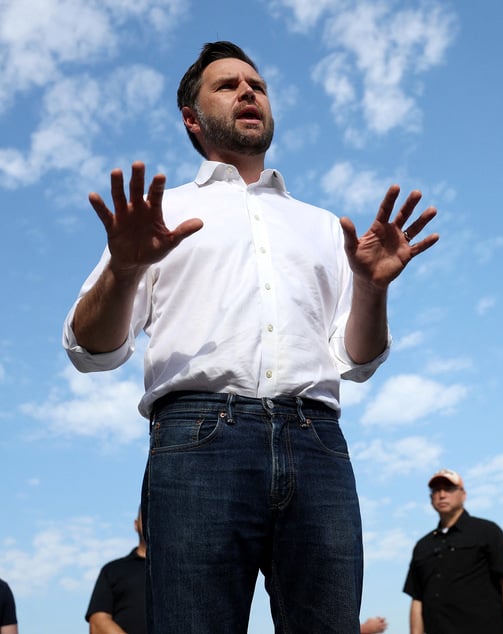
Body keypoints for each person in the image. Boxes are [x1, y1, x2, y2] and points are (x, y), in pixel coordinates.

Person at [62, 41, 438, 634]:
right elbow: (91, 350)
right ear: (192, 117)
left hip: (318, 444)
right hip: (199, 444)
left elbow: (356, 362)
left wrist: (372, 288)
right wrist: (125, 267)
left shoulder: (321, 225)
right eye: (228, 85)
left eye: (257, 84)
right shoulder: (161, 214)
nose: (248, 91)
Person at [403, 469, 503, 634]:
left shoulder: (487, 531)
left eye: (449, 488)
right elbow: (417, 598)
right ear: (431, 498)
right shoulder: (423, 546)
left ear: (463, 494)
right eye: (436, 490)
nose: (442, 494)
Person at [86, 510, 147, 634]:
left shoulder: (182, 573)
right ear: (136, 524)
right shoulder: (112, 571)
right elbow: (97, 623)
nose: (150, 520)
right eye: (146, 515)